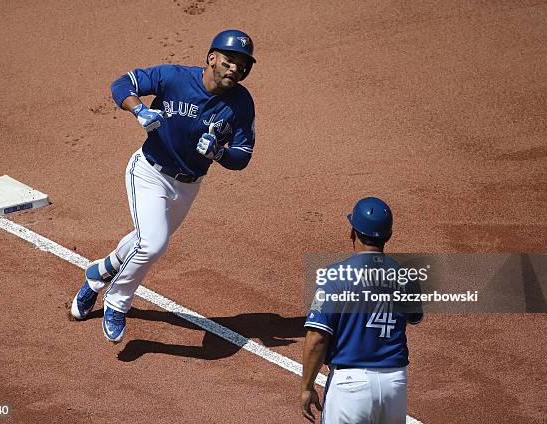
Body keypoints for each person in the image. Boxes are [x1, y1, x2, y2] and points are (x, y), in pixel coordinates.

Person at [69, 29, 257, 343]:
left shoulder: (241, 103)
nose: (234, 68)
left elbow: (243, 155)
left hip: (188, 186)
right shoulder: (174, 77)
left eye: (241, 64)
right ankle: (117, 303)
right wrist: (138, 109)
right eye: (228, 60)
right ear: (212, 58)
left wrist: (220, 153)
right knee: (153, 243)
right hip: (148, 172)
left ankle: (98, 273)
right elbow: (122, 84)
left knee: (143, 240)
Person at [301, 197, 423, 423]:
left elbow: (317, 338)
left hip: (350, 386)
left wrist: (307, 386)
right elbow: (411, 317)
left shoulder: (334, 277)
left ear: (352, 233)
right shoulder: (406, 276)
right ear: (389, 236)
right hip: (394, 384)